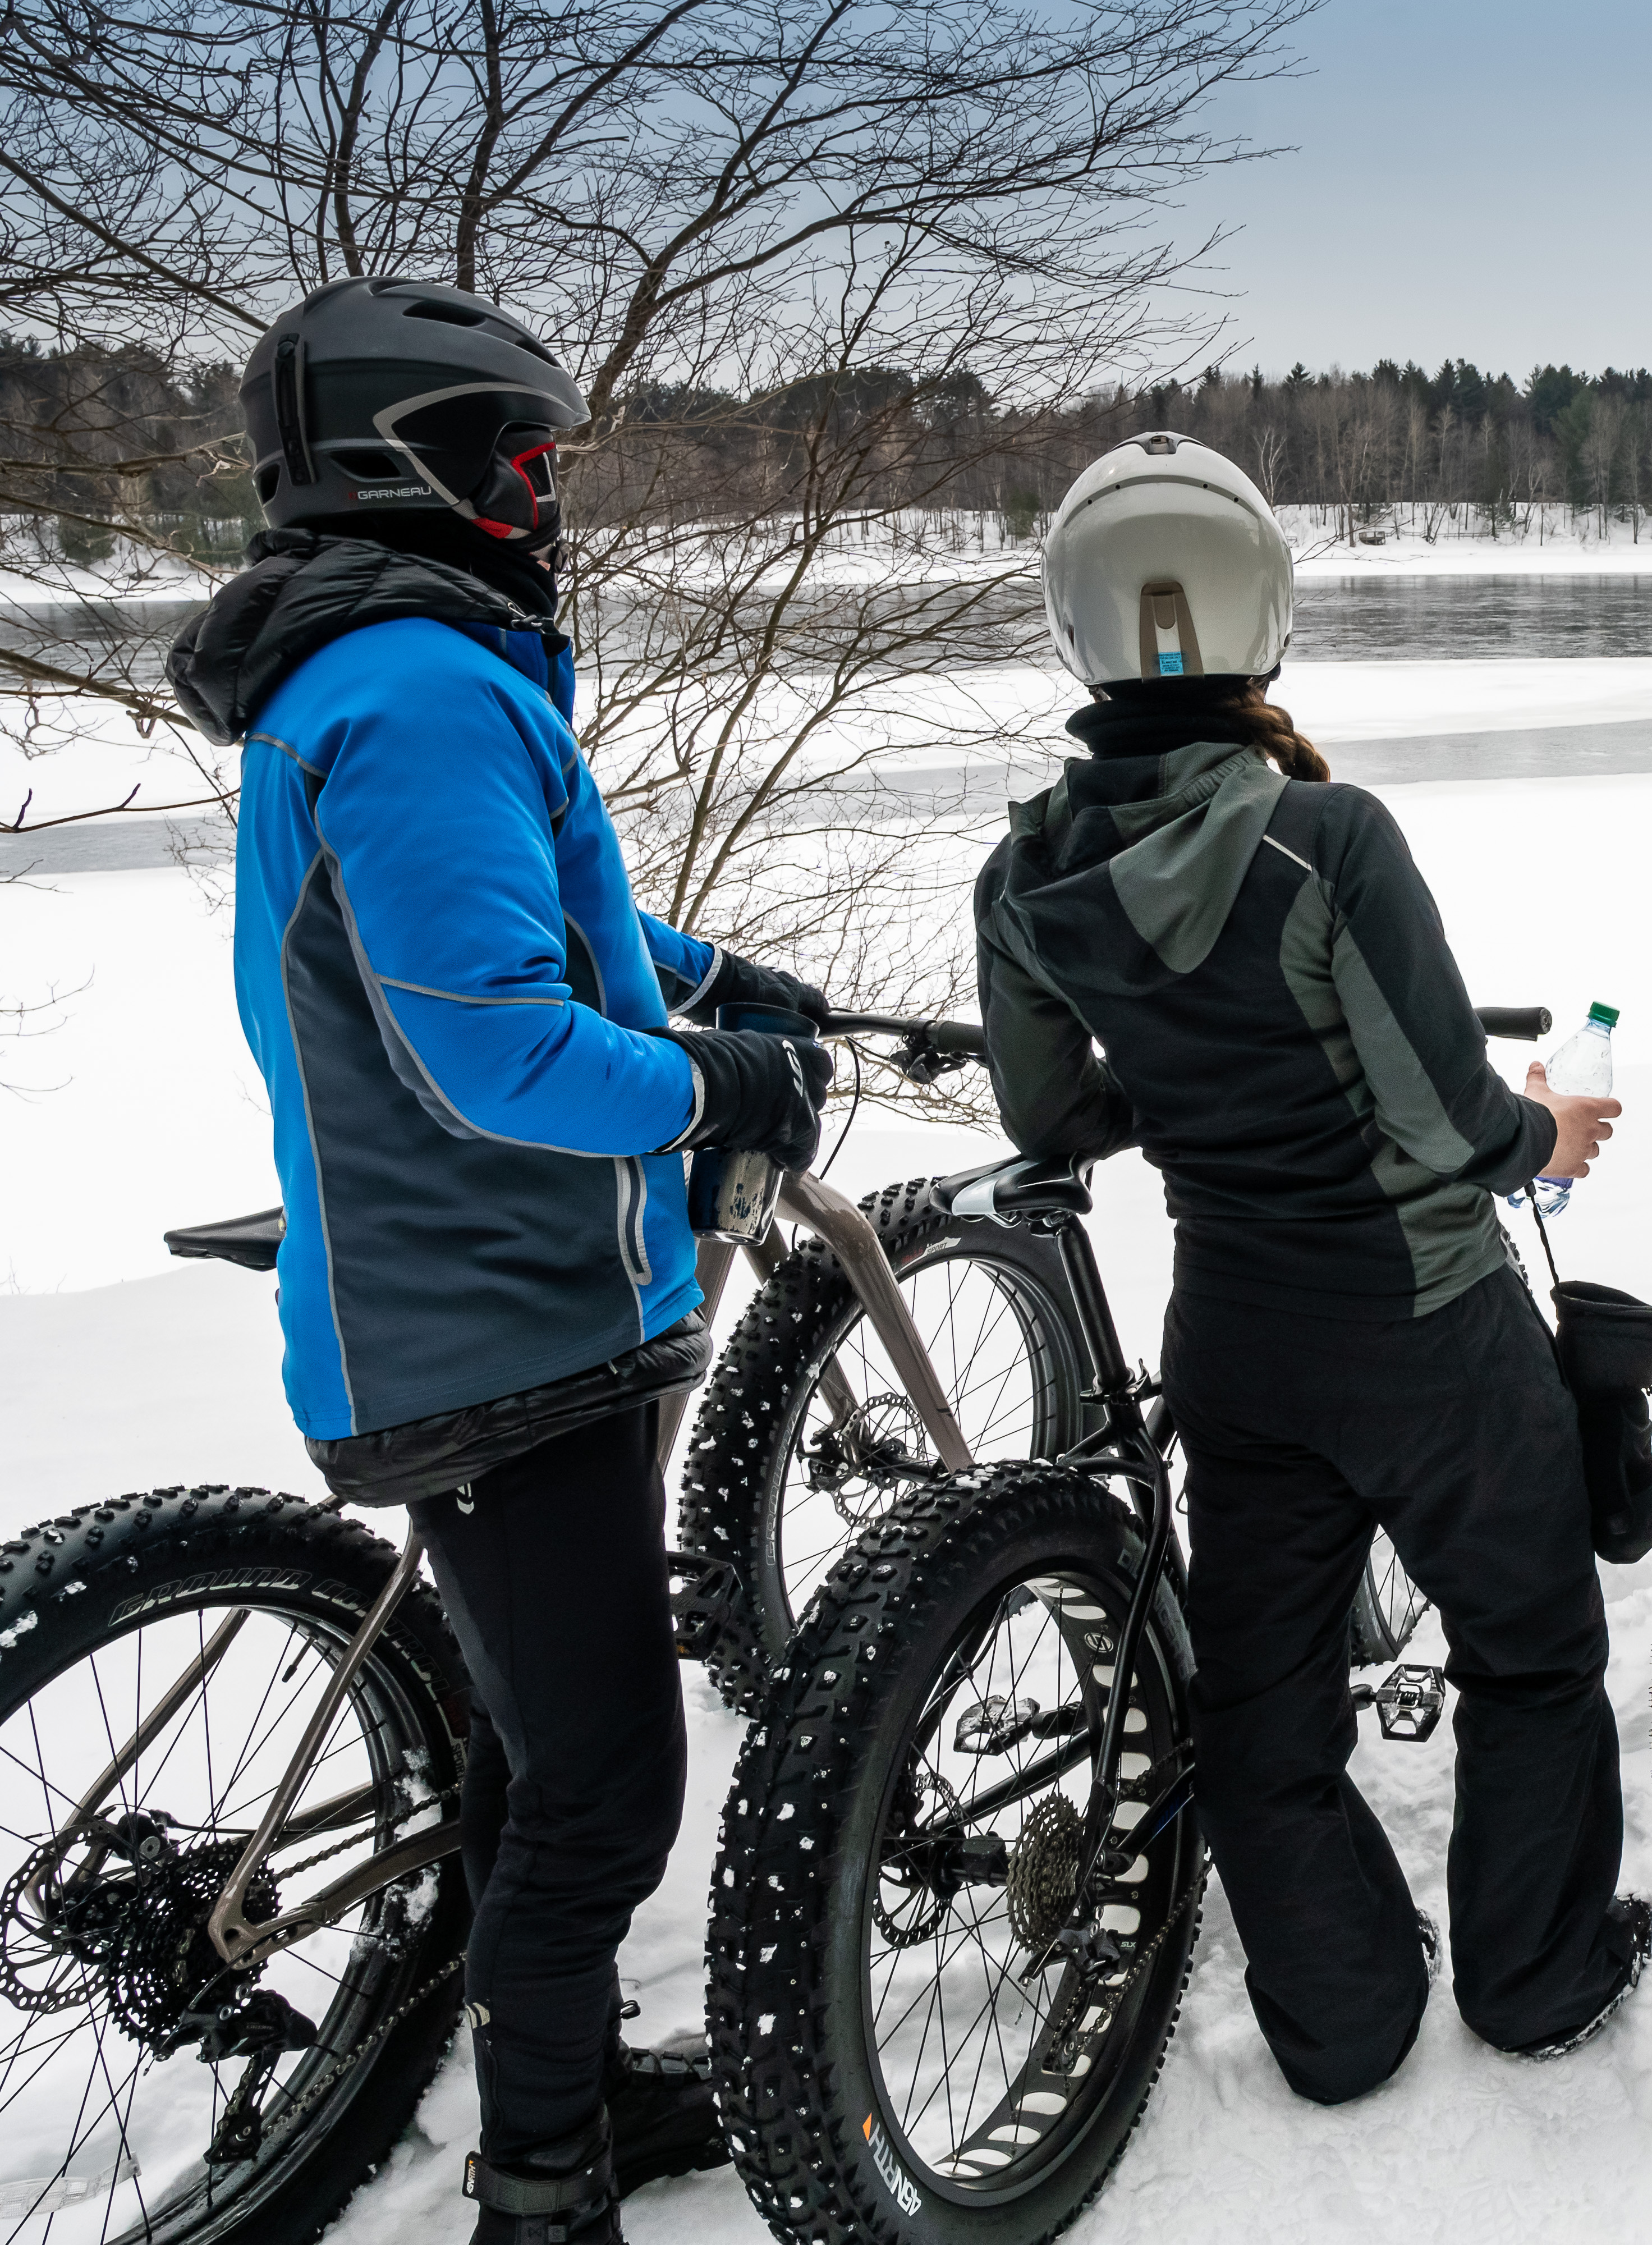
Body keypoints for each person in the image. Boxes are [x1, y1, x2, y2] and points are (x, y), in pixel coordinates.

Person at [170, 277, 835, 2244]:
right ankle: (544, 2188)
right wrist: (721, 1084)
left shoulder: (388, 673)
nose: (552, 501)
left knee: (536, 1754)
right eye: (531, 463)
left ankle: (579, 2083)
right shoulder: (421, 690)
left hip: (490, 1301)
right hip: (492, 1331)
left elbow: (516, 918)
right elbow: (500, 1051)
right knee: (607, 1796)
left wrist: (710, 972)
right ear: (429, 466)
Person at [970, 433, 1652, 2104]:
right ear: (1263, 613)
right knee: (1529, 1652)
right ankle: (1536, 1978)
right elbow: (1449, 1118)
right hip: (1428, 1331)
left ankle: (1339, 2026)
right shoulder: (1324, 836)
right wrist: (1549, 1130)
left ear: (1077, 626)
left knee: (1266, 1711)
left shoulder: (1026, 874)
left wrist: (1190, 1094)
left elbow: (1051, 1115)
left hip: (1235, 1338)